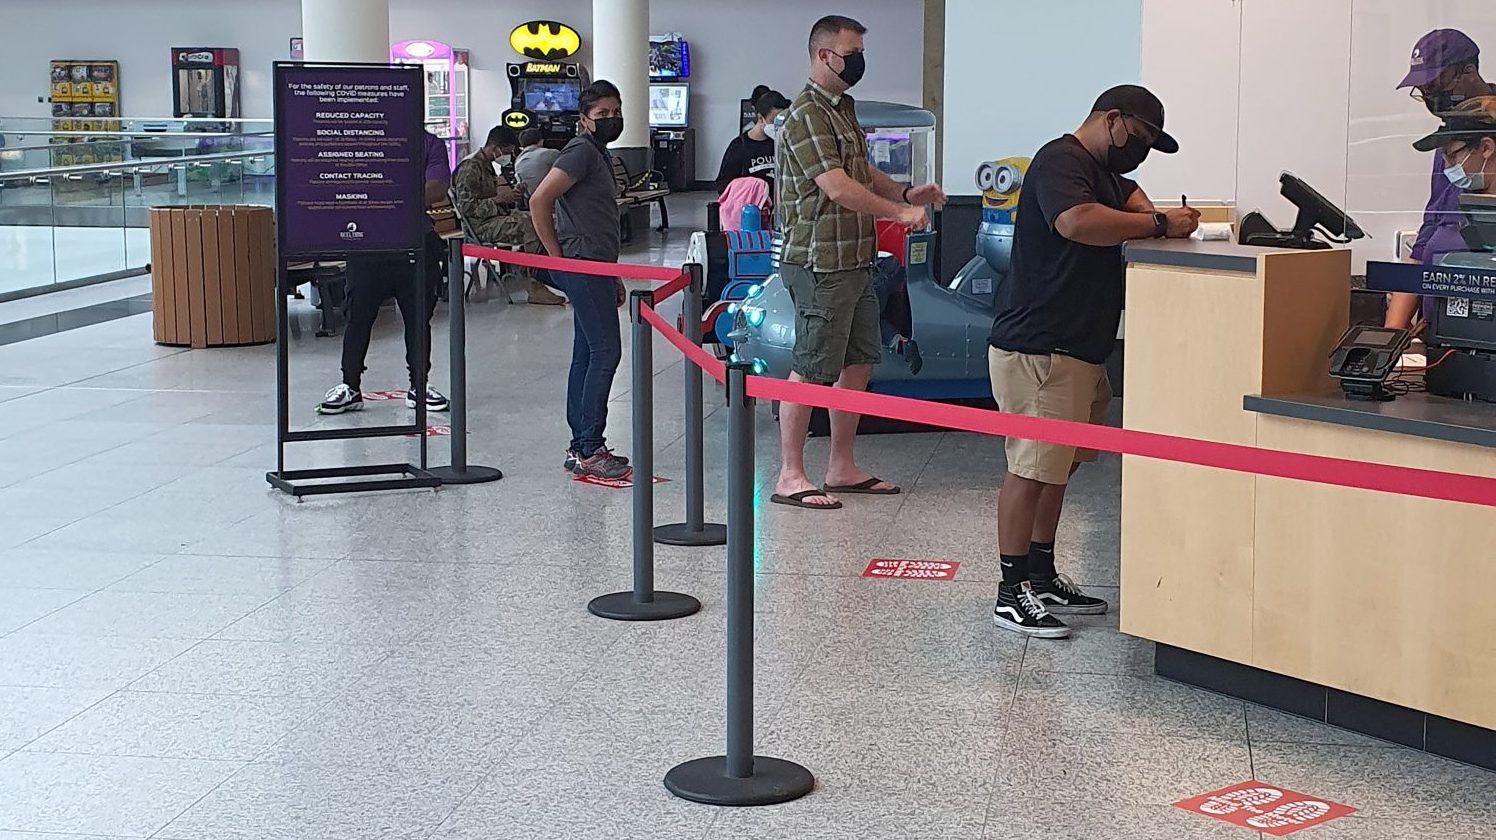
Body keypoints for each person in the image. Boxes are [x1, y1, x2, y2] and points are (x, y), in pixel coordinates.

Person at [987, 85, 1198, 638]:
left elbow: (1134, 199)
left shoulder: (1103, 172)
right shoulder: (1060, 160)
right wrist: (1157, 225)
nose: (1143, 150)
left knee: (1059, 467)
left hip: (1080, 348)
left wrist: (1155, 215)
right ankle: (1010, 592)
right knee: (1030, 468)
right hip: (1041, 346)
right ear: (1112, 120)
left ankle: (1040, 569)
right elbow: (1076, 223)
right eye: (1142, 137)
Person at [770, 14, 946, 510]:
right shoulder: (804, 113)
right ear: (824, 55)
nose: (859, 63)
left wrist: (907, 190)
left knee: (859, 361)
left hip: (855, 260)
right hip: (819, 262)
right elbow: (837, 187)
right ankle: (790, 474)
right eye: (852, 54)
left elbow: (861, 170)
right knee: (811, 366)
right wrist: (901, 212)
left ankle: (841, 466)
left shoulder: (841, 107)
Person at [528, 80, 634, 481]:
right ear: (584, 119)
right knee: (606, 352)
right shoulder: (580, 151)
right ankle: (590, 446)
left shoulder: (598, 153)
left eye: (615, 111)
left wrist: (614, 275)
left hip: (597, 266)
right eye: (602, 114)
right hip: (582, 264)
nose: (611, 119)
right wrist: (558, 258)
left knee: (588, 352)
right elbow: (541, 199)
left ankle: (580, 444)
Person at [319, 131, 452, 415]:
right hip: (368, 242)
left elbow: (437, 188)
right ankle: (350, 386)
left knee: (418, 319)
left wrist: (382, 195)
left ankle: (419, 385)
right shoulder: (363, 142)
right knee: (357, 317)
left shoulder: (429, 143)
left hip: (416, 242)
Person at [1388, 29, 1496, 332]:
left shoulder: (1482, 139)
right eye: (1423, 89)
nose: (1430, 97)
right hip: (1441, 325)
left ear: (1469, 71)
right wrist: (1393, 335)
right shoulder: (1451, 143)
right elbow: (1425, 241)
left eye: (1436, 84)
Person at [452, 125, 566, 306]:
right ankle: (534, 283)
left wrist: (511, 195)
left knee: (539, 219)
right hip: (479, 226)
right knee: (529, 226)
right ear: (495, 147)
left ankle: (537, 272)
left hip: (494, 219)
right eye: (506, 151)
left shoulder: (486, 166)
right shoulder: (471, 167)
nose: (507, 156)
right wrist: (498, 199)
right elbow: (466, 208)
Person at [715, 89, 792, 195]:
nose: (779, 126)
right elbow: (723, 185)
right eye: (774, 121)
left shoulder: (782, 143)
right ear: (761, 118)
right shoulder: (739, 146)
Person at [514, 127, 559, 197]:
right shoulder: (550, 153)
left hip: (533, 200)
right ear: (541, 141)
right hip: (554, 198)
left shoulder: (518, 161)